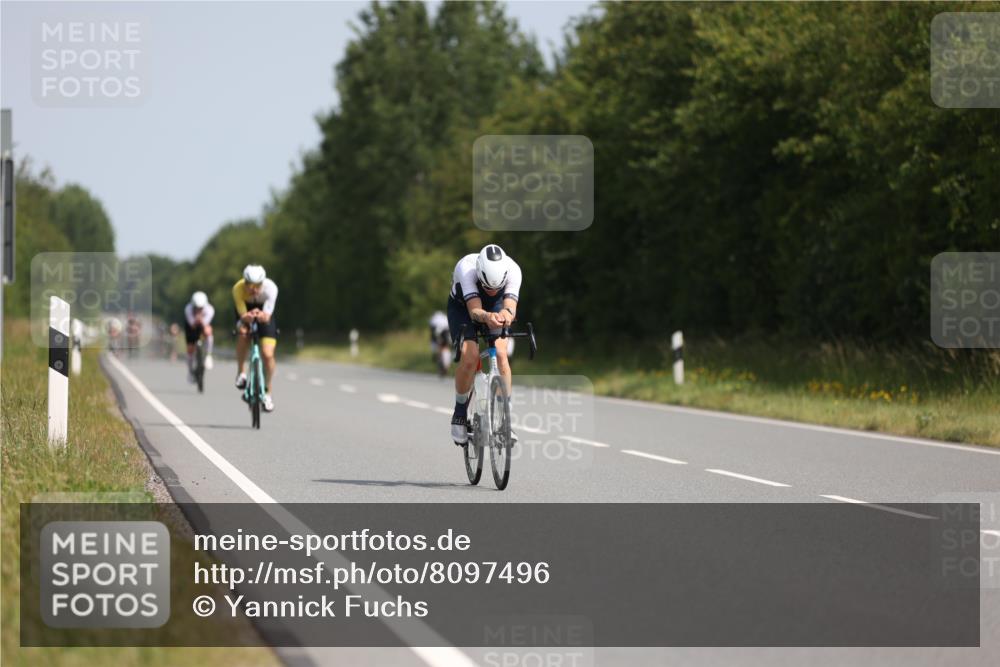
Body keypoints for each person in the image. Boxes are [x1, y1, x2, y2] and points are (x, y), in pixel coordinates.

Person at [447, 244, 522, 445]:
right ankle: (460, 413)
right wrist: (488, 317)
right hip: (463, 307)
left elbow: (510, 306)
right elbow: (474, 311)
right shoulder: (466, 268)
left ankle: (505, 419)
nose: (492, 291)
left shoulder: (514, 270)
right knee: (470, 356)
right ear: (480, 275)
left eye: (496, 287)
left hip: (495, 307)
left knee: (500, 353)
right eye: (488, 287)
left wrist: (505, 315)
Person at [233, 264, 278, 412]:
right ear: (244, 282)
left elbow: (266, 316)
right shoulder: (237, 289)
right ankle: (241, 373)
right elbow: (243, 315)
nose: (253, 288)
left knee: (267, 354)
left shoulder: (271, 288)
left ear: (263, 283)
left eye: (257, 285)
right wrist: (248, 317)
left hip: (264, 315)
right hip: (246, 312)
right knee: (243, 333)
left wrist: (261, 315)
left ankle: (268, 392)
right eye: (249, 284)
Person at [184, 291, 215, 381]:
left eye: (200, 308)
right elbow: (192, 324)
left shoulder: (210, 309)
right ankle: (190, 371)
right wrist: (196, 319)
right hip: (191, 327)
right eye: (196, 308)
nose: (198, 310)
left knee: (208, 331)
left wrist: (201, 320)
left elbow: (206, 324)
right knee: (190, 349)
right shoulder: (188, 309)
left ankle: (208, 355)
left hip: (203, 325)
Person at [429, 310, 451, 377]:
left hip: (438, 329)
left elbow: (433, 336)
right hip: (445, 329)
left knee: (438, 346)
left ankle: (438, 358)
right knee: (445, 347)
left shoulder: (433, 319)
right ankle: (446, 365)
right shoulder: (444, 318)